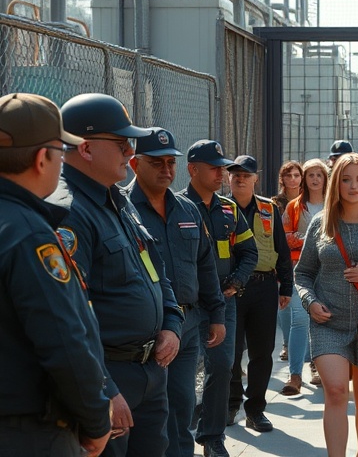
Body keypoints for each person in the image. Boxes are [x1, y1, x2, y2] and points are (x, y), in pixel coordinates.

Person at [48, 93, 185, 457]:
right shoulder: (69, 212)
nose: (130, 151)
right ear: (87, 148)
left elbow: (157, 273)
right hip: (112, 375)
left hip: (150, 371)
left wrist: (171, 322)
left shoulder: (118, 200)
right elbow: (70, 316)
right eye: (122, 143)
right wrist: (104, 390)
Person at [0, 93, 111, 457]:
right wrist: (96, 421)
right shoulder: (30, 235)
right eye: (61, 153)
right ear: (41, 158)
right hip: (29, 431)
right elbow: (63, 342)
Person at [125, 127, 227, 457]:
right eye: (157, 163)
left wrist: (217, 315)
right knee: (152, 418)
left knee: (182, 407)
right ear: (134, 163)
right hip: (143, 331)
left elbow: (206, 266)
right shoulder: (122, 210)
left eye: (171, 162)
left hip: (188, 325)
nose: (167, 170)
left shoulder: (187, 210)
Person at [295, 153, 358, 457]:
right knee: (337, 391)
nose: (353, 186)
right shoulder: (321, 223)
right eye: (346, 179)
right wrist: (309, 302)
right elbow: (303, 273)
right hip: (329, 323)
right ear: (335, 184)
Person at [182, 140, 258, 457]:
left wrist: (236, 283)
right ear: (193, 170)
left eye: (221, 167)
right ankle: (178, 434)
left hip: (223, 304)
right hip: (191, 305)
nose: (221, 173)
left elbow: (249, 252)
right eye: (214, 167)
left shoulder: (228, 209)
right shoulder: (178, 208)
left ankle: (212, 437)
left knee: (222, 366)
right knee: (182, 374)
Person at [226, 156, 293, 433]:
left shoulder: (268, 208)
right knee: (230, 352)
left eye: (246, 174)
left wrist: (286, 286)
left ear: (256, 178)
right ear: (228, 178)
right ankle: (230, 406)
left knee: (262, 352)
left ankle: (255, 410)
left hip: (264, 286)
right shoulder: (220, 208)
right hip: (230, 289)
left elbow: (281, 248)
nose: (240, 178)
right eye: (235, 174)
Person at [282, 158, 329, 393]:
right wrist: (311, 240)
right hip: (298, 269)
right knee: (299, 320)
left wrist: (302, 239)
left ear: (325, 178)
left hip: (329, 270)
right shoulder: (293, 207)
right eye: (310, 175)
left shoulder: (334, 206)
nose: (314, 179)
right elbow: (284, 237)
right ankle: (294, 375)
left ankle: (317, 367)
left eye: (318, 175)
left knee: (322, 320)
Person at [273, 160, 303, 363]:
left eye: (296, 175)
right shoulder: (275, 203)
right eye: (288, 175)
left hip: (305, 259)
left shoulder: (308, 201)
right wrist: (300, 237)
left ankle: (304, 347)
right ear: (282, 178)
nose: (292, 179)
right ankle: (286, 343)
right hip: (281, 259)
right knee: (284, 302)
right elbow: (279, 235)